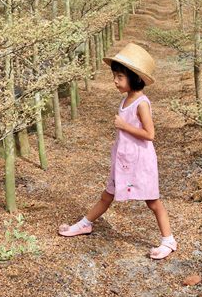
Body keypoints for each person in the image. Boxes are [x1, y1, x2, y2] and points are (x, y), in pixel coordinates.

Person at [57, 42, 176, 259]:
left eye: (120, 77)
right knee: (107, 194)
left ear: (134, 78)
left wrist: (124, 126)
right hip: (124, 158)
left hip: (140, 160)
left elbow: (150, 134)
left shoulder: (141, 103)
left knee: (152, 201)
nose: (115, 81)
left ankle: (168, 240)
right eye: (115, 76)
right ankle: (85, 224)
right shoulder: (125, 99)